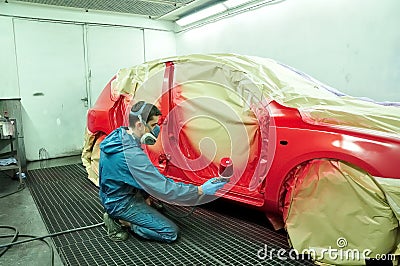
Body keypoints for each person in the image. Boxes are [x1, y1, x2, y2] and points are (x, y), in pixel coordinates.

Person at [99, 101, 227, 243]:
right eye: (153, 125)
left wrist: (146, 194)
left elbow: (130, 176)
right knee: (169, 232)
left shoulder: (118, 137)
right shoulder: (131, 155)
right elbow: (165, 189)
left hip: (116, 194)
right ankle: (122, 221)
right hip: (121, 203)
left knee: (157, 203)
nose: (157, 129)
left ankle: (132, 208)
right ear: (139, 125)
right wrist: (200, 190)